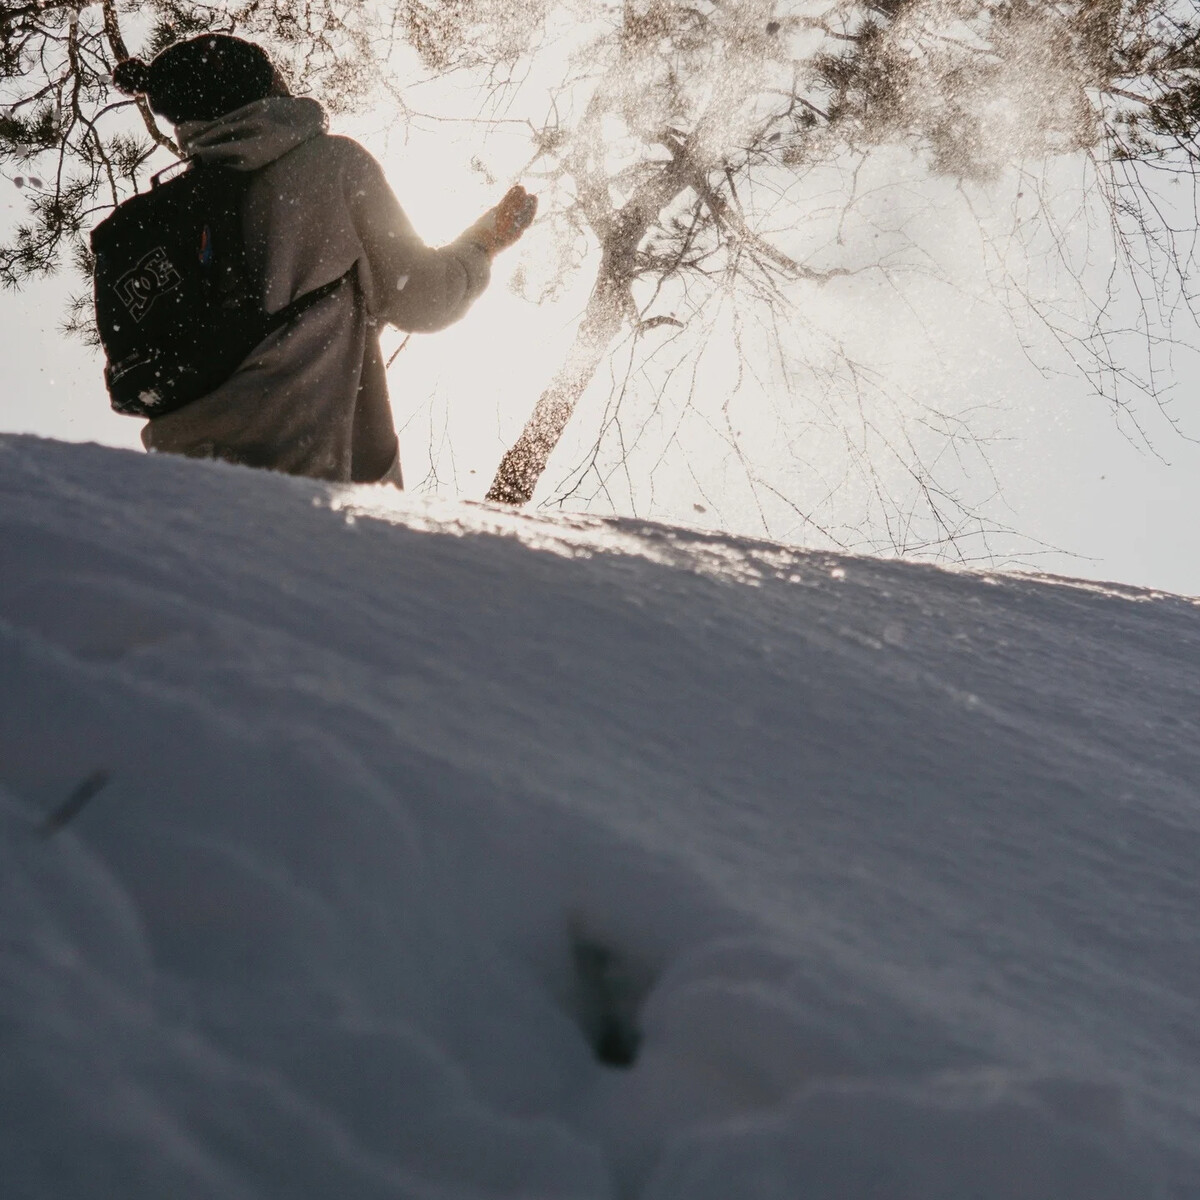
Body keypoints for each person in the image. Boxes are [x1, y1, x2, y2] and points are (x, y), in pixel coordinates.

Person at [110, 34, 535, 486]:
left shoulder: (181, 219)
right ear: (263, 87)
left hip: (185, 490)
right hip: (305, 492)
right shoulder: (332, 165)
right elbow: (426, 299)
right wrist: (485, 242)